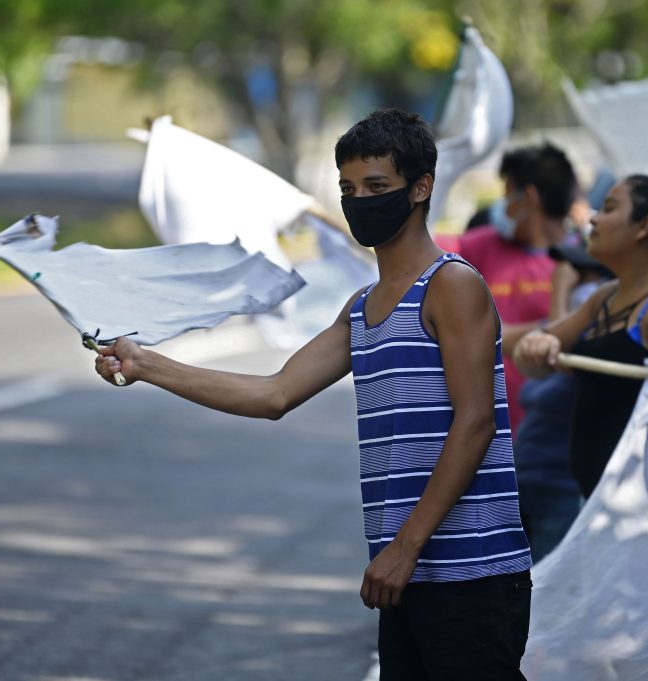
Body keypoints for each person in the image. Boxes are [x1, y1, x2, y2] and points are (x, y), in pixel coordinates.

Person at [95, 109, 533, 680]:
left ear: (421, 188)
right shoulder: (362, 309)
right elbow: (274, 393)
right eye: (348, 189)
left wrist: (405, 546)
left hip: (468, 571)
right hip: (407, 572)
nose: (359, 201)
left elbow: (475, 423)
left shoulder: (452, 285)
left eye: (377, 187)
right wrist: (147, 363)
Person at [514, 175, 648, 499]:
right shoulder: (606, 296)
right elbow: (532, 364)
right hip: (598, 503)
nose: (594, 218)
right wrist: (541, 346)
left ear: (644, 227)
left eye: (609, 208)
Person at [453, 143, 578, 436]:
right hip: (481, 430)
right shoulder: (477, 246)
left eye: (507, 192)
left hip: (550, 433)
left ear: (529, 197)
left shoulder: (585, 263)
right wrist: (555, 331)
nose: (503, 204)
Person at [512, 233, 613, 561]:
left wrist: (560, 297)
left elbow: (559, 355)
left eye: (578, 274)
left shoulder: (603, 332)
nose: (565, 277)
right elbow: (497, 337)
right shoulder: (559, 326)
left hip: (562, 493)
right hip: (528, 485)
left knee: (545, 601)